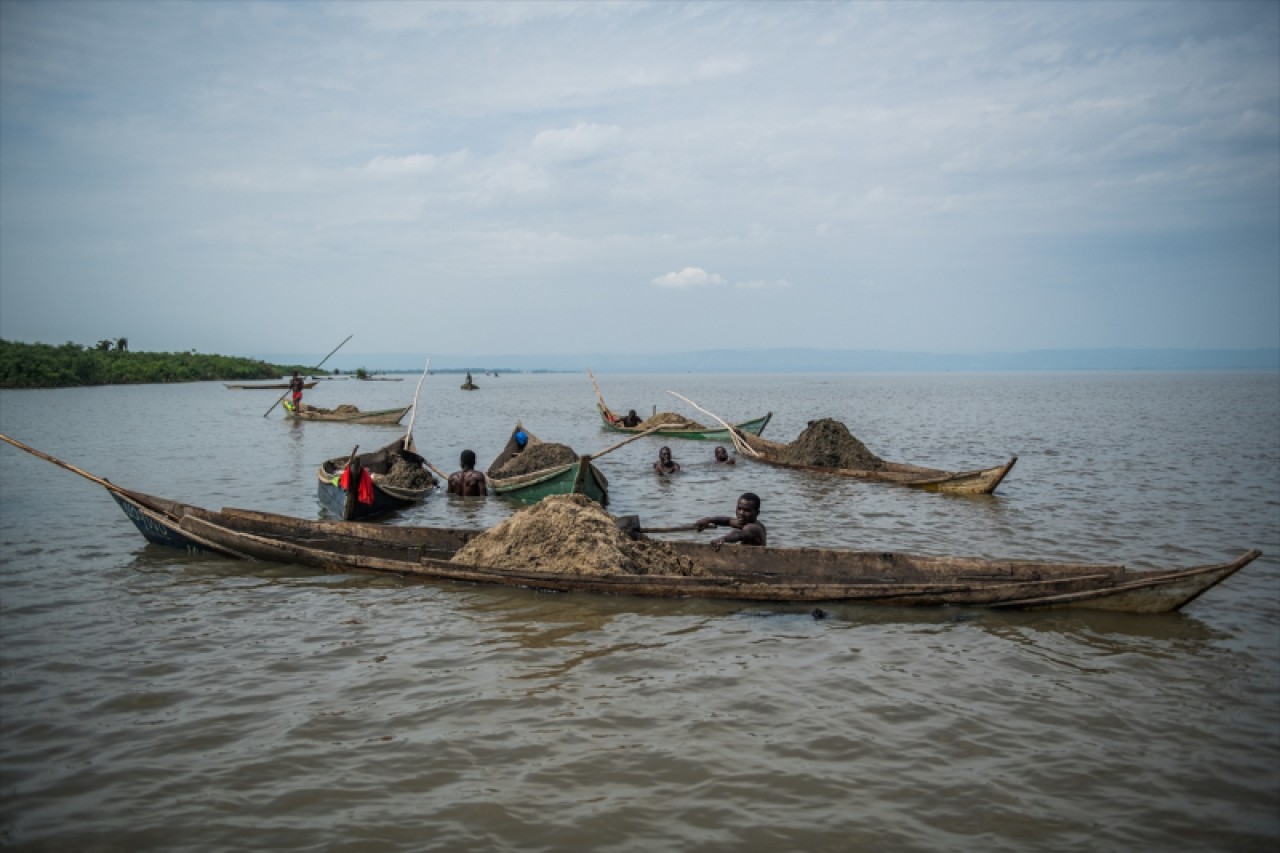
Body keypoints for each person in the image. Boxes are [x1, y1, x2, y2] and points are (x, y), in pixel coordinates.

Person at [695, 492, 766, 550]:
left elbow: (739, 535)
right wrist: (709, 520)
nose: (741, 513)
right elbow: (728, 521)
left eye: (746, 510)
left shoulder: (754, 528)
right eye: (739, 508)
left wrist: (723, 539)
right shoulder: (746, 522)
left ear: (757, 513)